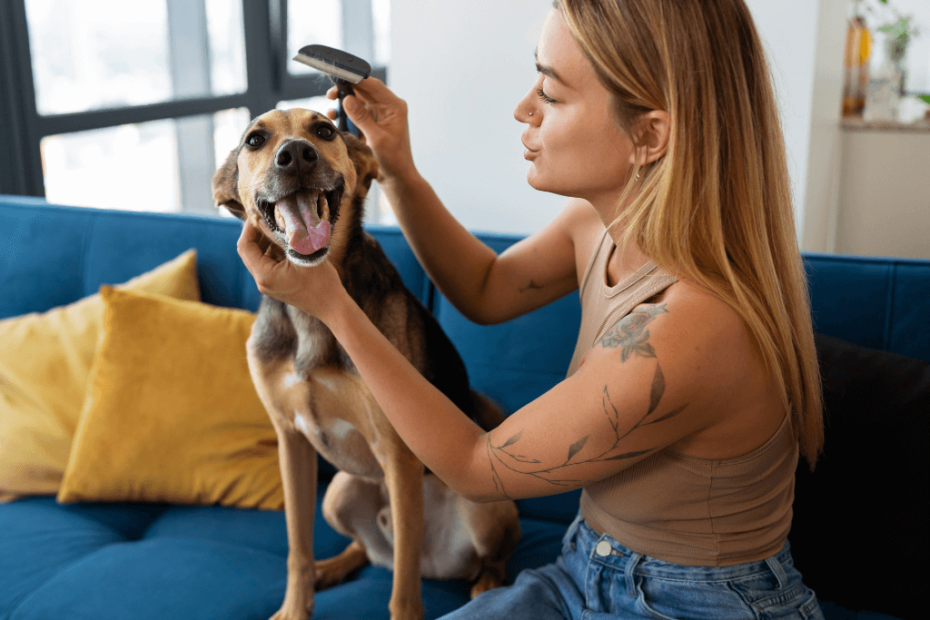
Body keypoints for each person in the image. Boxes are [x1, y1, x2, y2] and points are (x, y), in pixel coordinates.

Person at [237, 1, 826, 618]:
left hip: (701, 603)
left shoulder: (694, 324)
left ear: (649, 135)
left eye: (550, 90)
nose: (523, 108)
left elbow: (475, 466)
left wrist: (331, 303)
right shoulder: (598, 227)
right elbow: (487, 289)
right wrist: (397, 169)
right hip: (583, 565)